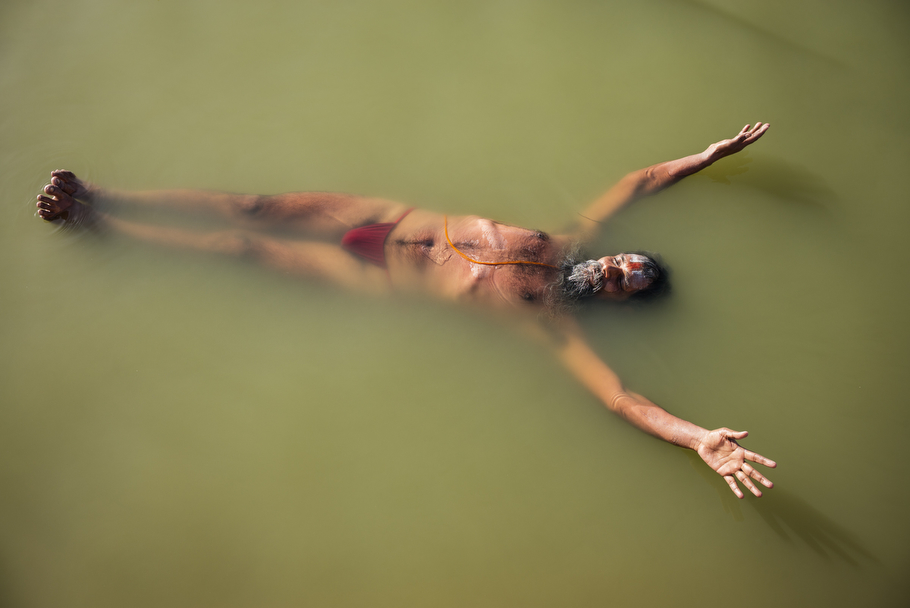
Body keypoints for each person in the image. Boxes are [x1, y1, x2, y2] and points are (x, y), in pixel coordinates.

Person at [36, 122, 775, 498]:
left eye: (627, 284)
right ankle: (105, 195)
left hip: (372, 276)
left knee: (241, 247)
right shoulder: (575, 237)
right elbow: (640, 180)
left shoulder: (555, 324)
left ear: (616, 303)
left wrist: (694, 439)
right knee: (252, 206)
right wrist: (705, 158)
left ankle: (100, 228)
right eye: (628, 261)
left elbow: (618, 397)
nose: (618, 268)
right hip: (384, 218)